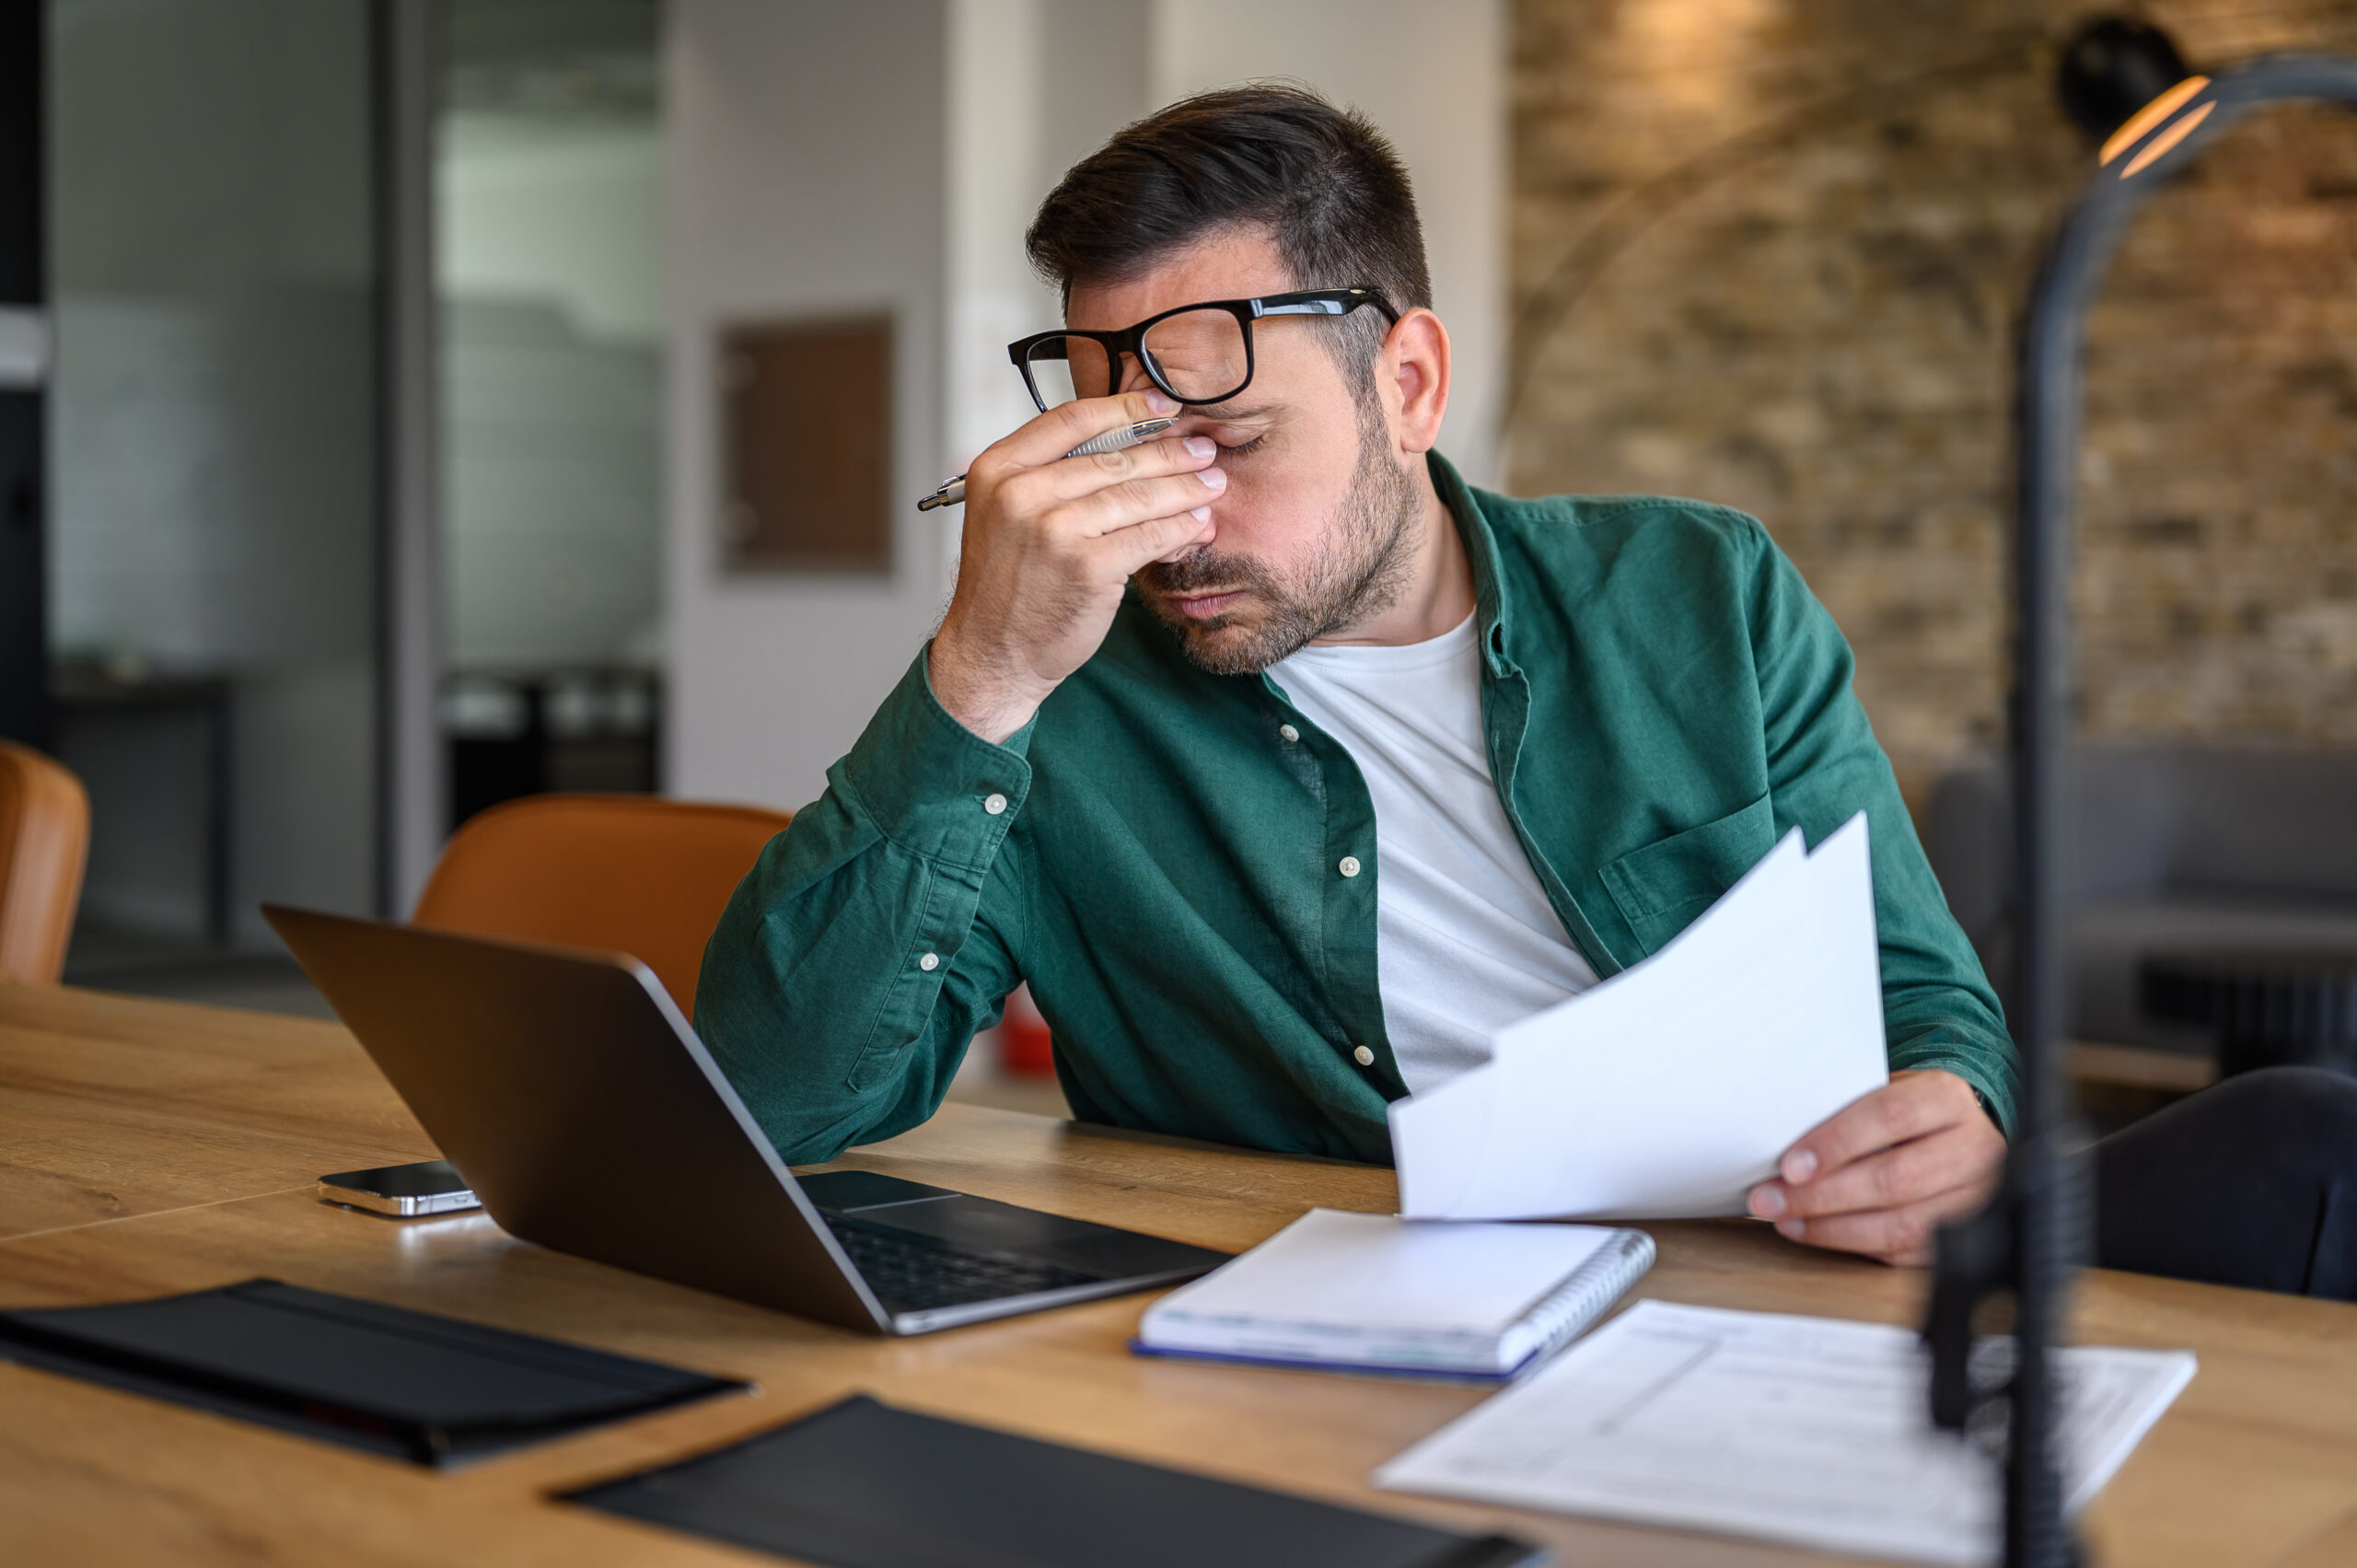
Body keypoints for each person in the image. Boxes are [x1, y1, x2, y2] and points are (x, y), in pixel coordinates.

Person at [697, 84, 2024, 1270]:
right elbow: (776, 1103)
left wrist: (1954, 1113)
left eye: (1232, 441)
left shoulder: (1699, 594)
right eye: (1123, 460)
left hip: (1737, 1284)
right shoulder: (1055, 696)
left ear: (1410, 384)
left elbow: (1916, 999)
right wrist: (977, 677)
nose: (1178, 522)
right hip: (1271, 1343)